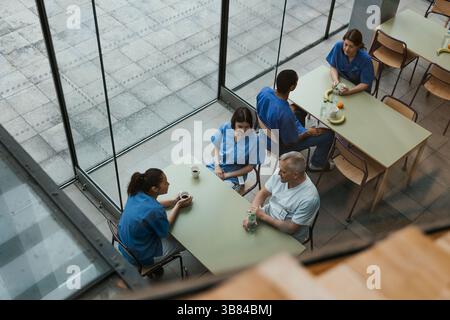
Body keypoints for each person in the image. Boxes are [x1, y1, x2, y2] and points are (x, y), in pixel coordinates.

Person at [257, 69, 335, 171]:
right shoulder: (285, 114)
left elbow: (262, 111)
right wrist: (308, 133)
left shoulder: (264, 91)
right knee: (329, 135)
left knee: (299, 109)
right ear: (292, 87)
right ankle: (316, 164)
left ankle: (300, 136)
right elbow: (290, 142)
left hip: (265, 134)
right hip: (280, 146)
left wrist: (288, 109)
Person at [118, 168, 192, 269]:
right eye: (165, 183)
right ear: (154, 189)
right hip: (140, 257)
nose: (169, 184)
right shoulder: (155, 210)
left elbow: (150, 205)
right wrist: (178, 206)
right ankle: (153, 267)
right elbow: (165, 230)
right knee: (184, 243)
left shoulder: (135, 193)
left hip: (124, 244)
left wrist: (173, 201)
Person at [242, 152, 320, 242]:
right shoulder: (281, 174)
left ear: (295, 175)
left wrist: (262, 216)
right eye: (279, 168)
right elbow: (263, 193)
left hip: (287, 235)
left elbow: (291, 228)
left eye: (283, 172)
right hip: (268, 215)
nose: (278, 173)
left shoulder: (310, 199)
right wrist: (253, 214)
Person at [207, 107, 264, 194]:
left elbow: (250, 167)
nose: (243, 130)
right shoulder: (225, 127)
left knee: (219, 193)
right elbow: (217, 147)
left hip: (235, 176)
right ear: (234, 124)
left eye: (247, 127)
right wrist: (217, 166)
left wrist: (226, 175)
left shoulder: (256, 141)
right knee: (203, 180)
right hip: (219, 166)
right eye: (240, 126)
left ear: (251, 126)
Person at [326, 28, 375, 95]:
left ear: (358, 46)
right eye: (345, 44)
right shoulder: (338, 46)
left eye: (351, 46)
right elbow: (333, 66)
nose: (346, 49)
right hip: (342, 84)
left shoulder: (366, 60)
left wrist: (349, 92)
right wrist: (336, 81)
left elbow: (365, 84)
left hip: (357, 91)